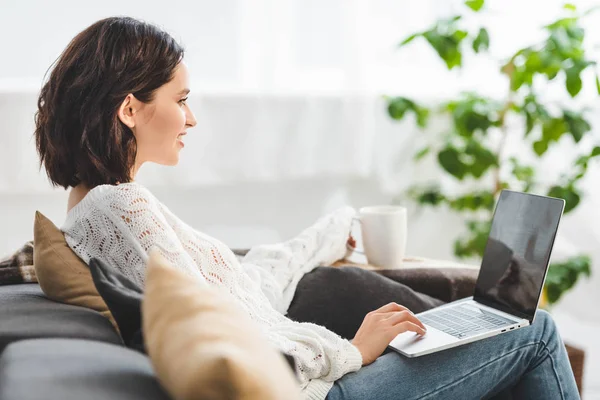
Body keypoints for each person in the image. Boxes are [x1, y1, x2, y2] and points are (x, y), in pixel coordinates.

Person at [34, 16, 580, 400]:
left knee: (486, 326)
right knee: (536, 332)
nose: (191, 119)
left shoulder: (97, 209)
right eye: (180, 100)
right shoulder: (119, 211)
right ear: (131, 108)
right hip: (324, 390)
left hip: (323, 378)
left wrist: (325, 234)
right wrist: (354, 351)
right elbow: (239, 336)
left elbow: (242, 290)